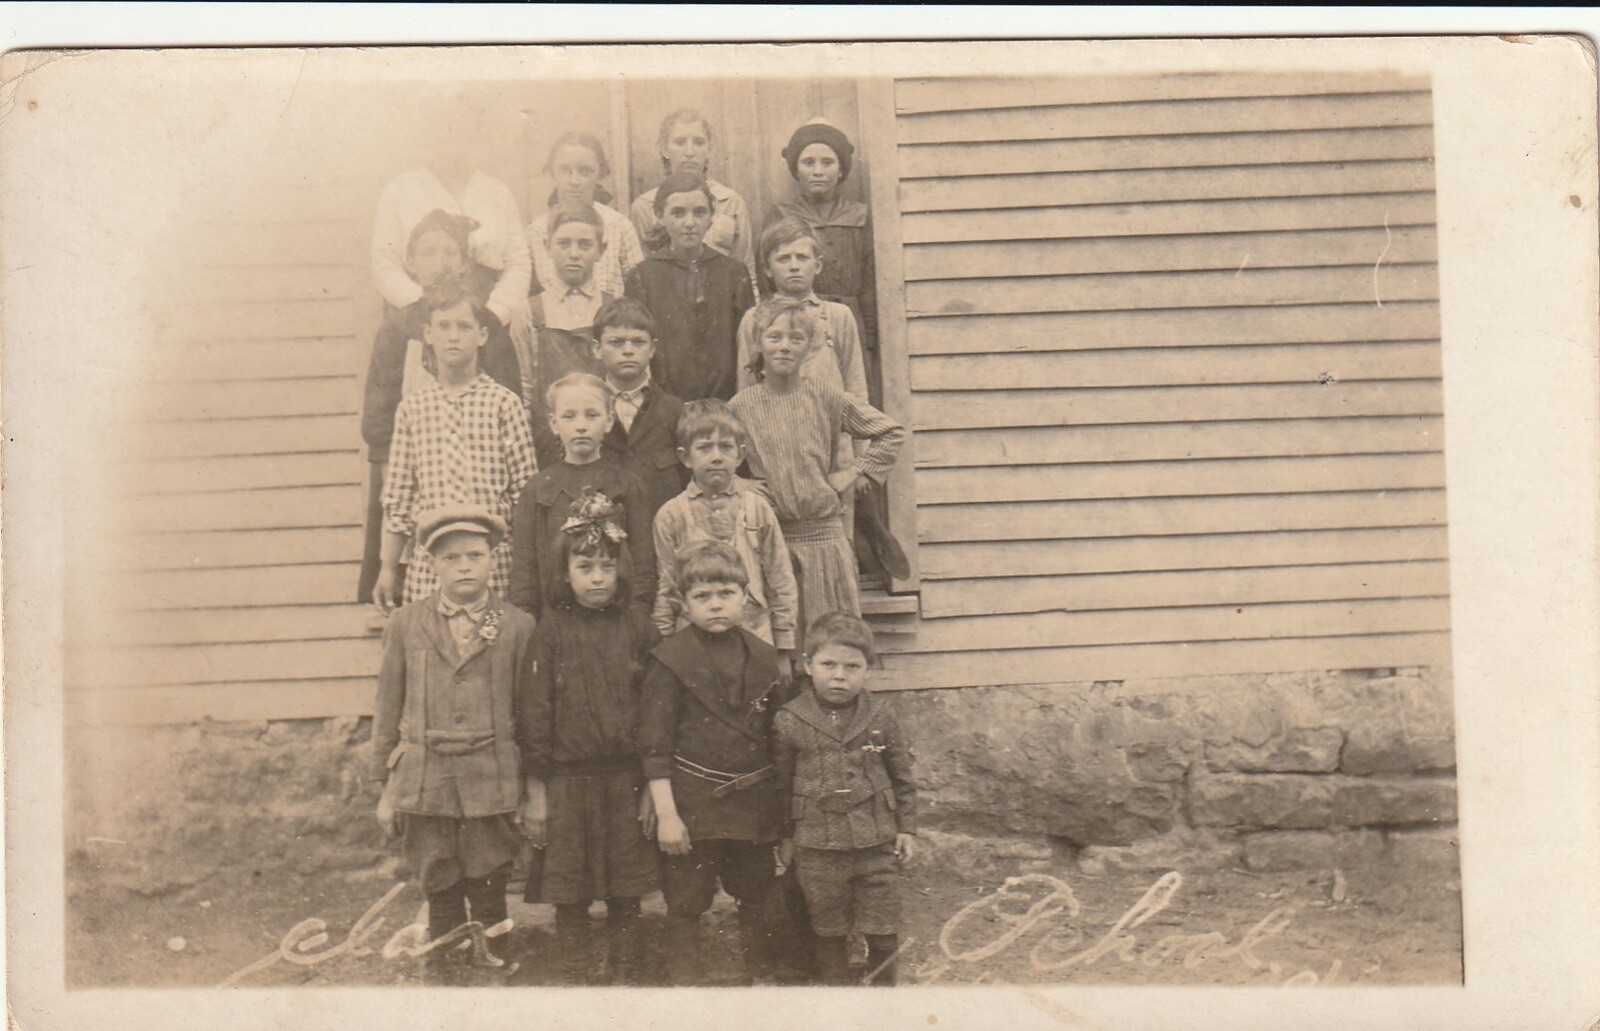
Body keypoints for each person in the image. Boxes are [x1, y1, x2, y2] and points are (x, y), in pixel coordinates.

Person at [370, 506, 539, 983]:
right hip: (425, 777)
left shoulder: (517, 625)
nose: (464, 567)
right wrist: (385, 788)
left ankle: (493, 964)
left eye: (474, 555)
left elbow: (531, 715)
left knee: (489, 878)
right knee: (438, 878)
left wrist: (530, 788)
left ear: (492, 559)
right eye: (451, 558)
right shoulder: (406, 623)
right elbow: (387, 706)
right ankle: (444, 969)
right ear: (432, 565)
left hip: (491, 775)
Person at [636, 541, 792, 985]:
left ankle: (758, 981)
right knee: (685, 902)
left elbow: (782, 746)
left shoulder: (765, 658)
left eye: (726, 593)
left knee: (756, 896)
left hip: (753, 805)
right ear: (683, 605)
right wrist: (668, 816)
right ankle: (685, 988)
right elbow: (654, 745)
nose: (716, 604)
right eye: (702, 596)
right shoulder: (671, 660)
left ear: (746, 597)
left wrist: (785, 825)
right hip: (693, 806)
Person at [520, 506, 660, 985]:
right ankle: (574, 977)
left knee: (626, 890)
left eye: (607, 566)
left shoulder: (639, 629)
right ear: (565, 573)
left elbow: (656, 714)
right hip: (567, 783)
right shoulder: (550, 631)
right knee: (570, 893)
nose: (597, 577)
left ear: (621, 570)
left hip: (625, 781)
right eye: (585, 567)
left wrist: (652, 786)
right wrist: (537, 791)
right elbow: (535, 715)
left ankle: (628, 976)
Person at [359, 210, 524, 603]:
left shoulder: (490, 339)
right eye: (428, 253)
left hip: (490, 529)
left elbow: (520, 477)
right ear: (411, 262)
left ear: (465, 262)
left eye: (450, 253)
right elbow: (386, 445)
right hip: (425, 503)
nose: (441, 263)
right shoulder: (397, 332)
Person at [729, 299, 906, 643]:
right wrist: (738, 482)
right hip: (771, 541)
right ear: (759, 343)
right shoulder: (742, 406)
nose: (784, 346)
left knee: (832, 639)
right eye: (774, 337)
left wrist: (854, 471)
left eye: (796, 338)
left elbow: (891, 433)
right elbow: (714, 454)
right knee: (782, 644)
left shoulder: (827, 396)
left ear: (809, 346)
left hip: (825, 541)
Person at [774, 612, 917, 986]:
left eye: (852, 666)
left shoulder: (880, 715)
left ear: (868, 668)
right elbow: (780, 786)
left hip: (876, 842)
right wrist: (786, 838)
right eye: (828, 665)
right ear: (808, 665)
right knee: (828, 928)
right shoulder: (789, 720)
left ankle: (885, 995)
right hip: (817, 846)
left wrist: (907, 829)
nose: (840, 676)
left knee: (883, 926)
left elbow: (902, 777)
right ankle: (838, 998)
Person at [375, 283, 536, 612]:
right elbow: (399, 501)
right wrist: (388, 569)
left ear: (482, 336)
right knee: (432, 640)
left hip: (495, 563)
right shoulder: (412, 409)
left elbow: (527, 495)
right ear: (428, 334)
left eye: (464, 327)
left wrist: (526, 573)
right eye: (443, 327)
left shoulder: (504, 404)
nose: (453, 337)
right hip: (431, 566)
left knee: (494, 639)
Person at [652, 400, 799, 661]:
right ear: (685, 457)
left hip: (754, 634)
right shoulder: (671, 515)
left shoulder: (757, 508)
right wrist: (665, 640)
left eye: (726, 447)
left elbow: (780, 578)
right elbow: (667, 584)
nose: (716, 457)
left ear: (740, 455)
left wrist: (783, 645)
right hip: (693, 642)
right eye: (704, 448)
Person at [508, 373, 655, 618]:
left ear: (609, 421)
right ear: (554, 423)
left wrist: (635, 620)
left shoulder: (628, 486)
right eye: (569, 416)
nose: (581, 426)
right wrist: (528, 622)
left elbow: (643, 567)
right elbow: (524, 572)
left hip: (617, 622)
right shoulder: (537, 489)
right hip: (555, 623)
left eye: (592, 415)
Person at [370, 124, 532, 332]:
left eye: (459, 128)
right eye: (443, 128)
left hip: (485, 313)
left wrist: (496, 312)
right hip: (417, 315)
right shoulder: (400, 189)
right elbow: (384, 262)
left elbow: (518, 263)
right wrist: (420, 306)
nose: (451, 138)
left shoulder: (497, 192)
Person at [767, 118, 880, 405]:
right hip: (795, 320)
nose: (818, 171)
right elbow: (768, 280)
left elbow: (870, 280)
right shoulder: (781, 215)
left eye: (827, 162)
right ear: (795, 169)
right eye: (808, 163)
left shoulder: (860, 216)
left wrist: (868, 337)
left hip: (848, 322)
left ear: (841, 169)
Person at [624, 172, 754, 402]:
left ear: (712, 216)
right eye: (678, 213)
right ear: (659, 216)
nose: (690, 223)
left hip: (723, 403)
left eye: (699, 212)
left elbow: (746, 348)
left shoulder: (733, 273)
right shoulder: (642, 276)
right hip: (664, 404)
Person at [629, 108, 756, 290]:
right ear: (664, 149)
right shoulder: (644, 206)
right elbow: (641, 274)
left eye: (698, 142)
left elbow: (747, 272)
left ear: (709, 148)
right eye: (680, 142)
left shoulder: (730, 202)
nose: (689, 152)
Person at [588, 297, 689, 518]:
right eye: (616, 342)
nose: (628, 351)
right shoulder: (585, 410)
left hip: (660, 528)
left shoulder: (675, 410)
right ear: (597, 348)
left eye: (638, 342)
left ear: (652, 349)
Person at [511, 203, 610, 417]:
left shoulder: (613, 308)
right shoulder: (527, 311)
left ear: (601, 251)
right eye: (563, 244)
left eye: (585, 245)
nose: (574, 254)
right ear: (547, 246)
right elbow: (525, 389)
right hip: (547, 429)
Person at [527, 131, 644, 298]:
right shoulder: (536, 231)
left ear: (599, 174)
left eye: (585, 171)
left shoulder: (619, 226)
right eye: (565, 170)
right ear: (552, 172)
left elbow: (639, 292)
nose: (574, 181)